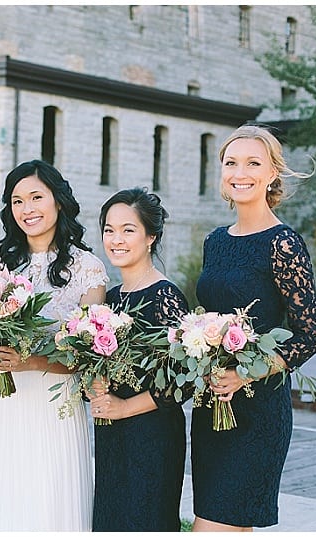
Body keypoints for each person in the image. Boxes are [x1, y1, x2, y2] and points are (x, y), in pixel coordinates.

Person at [0, 159, 108, 531]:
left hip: (54, 403)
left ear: (58, 200)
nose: (27, 209)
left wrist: (34, 361)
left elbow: (91, 354)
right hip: (0, 403)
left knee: (48, 497)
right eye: (17, 201)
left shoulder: (88, 268)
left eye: (36, 197)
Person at [191, 125, 316, 531]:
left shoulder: (283, 244)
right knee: (217, 521)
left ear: (271, 174)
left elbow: (309, 336)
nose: (239, 172)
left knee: (215, 526)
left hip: (258, 411)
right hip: (210, 407)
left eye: (252, 163)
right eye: (231, 162)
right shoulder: (215, 241)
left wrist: (245, 371)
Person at [88, 187, 190, 531]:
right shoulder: (111, 298)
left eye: (128, 230)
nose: (116, 239)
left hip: (152, 436)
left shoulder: (165, 296)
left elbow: (184, 381)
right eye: (109, 229)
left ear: (151, 237)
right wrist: (95, 384)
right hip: (112, 436)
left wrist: (122, 408)